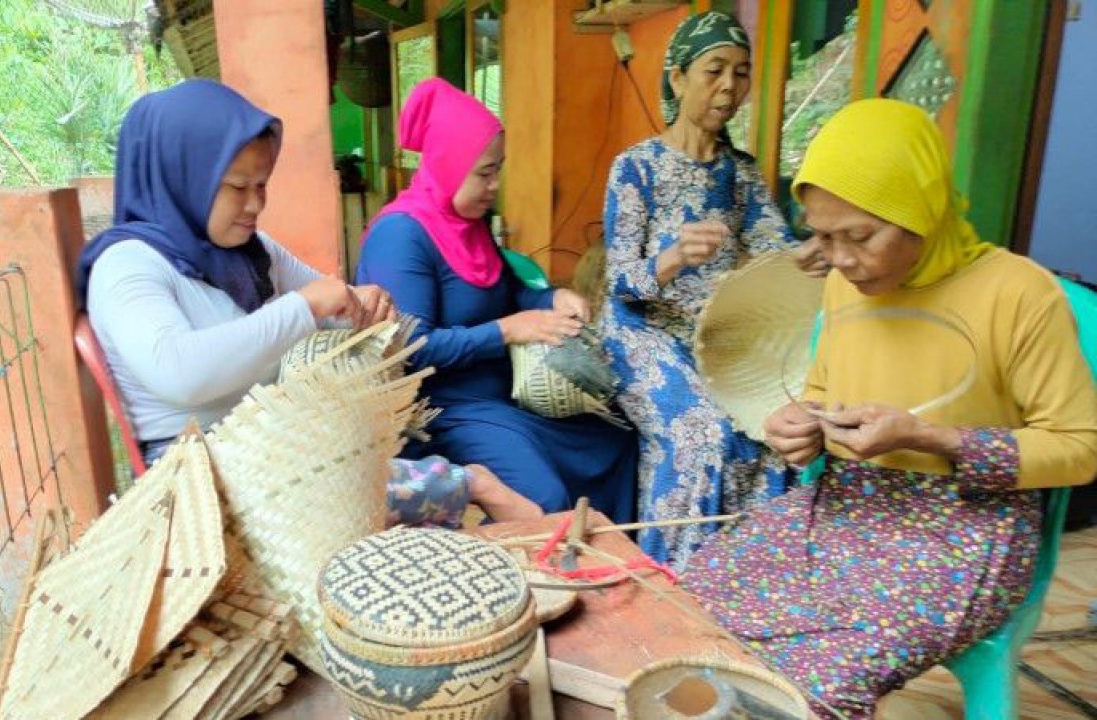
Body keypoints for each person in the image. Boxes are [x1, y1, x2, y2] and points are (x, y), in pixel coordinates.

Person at [682, 99, 1097, 719]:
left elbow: (1081, 448)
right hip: (842, 510)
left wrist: (935, 439)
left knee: (811, 684)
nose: (843, 259)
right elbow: (823, 394)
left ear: (920, 212)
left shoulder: (1019, 294)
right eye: (823, 236)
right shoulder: (844, 284)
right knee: (684, 609)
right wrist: (799, 429)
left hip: (963, 534)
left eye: (860, 236)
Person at [75, 79, 541, 527]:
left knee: (399, 469)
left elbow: (334, 304)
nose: (255, 205)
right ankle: (475, 489)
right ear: (183, 178)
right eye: (238, 187)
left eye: (262, 185)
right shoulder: (127, 266)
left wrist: (363, 306)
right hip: (196, 471)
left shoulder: (248, 251)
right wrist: (304, 308)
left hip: (273, 443)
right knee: (393, 487)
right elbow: (180, 373)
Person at [356, 78, 638, 522]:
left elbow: (511, 292)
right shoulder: (402, 235)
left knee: (614, 444)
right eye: (483, 172)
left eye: (497, 170)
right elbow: (412, 349)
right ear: (448, 164)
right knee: (540, 495)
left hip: (502, 396)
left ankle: (601, 567)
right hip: (442, 409)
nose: (494, 185)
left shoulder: (470, 224)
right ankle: (533, 584)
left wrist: (553, 297)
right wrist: (507, 330)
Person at [601, 11, 811, 566]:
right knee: (701, 433)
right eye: (714, 70)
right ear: (677, 78)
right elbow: (620, 280)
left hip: (718, 330)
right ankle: (673, 580)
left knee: (774, 430)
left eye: (741, 74)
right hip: (642, 329)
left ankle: (743, 579)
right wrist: (671, 257)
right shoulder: (636, 168)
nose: (729, 87)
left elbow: (778, 247)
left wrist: (824, 250)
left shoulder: (739, 173)